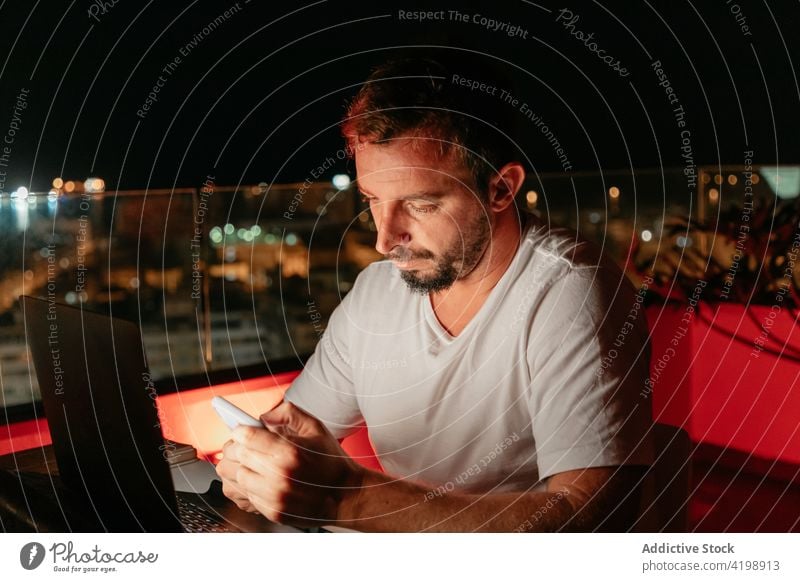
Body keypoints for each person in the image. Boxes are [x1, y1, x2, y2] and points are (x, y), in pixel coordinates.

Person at [216, 56, 654, 532]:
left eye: (421, 204)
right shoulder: (375, 294)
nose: (385, 240)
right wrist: (257, 469)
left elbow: (590, 520)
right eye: (372, 200)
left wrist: (348, 499)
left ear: (501, 189)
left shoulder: (569, 291)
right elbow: (295, 433)